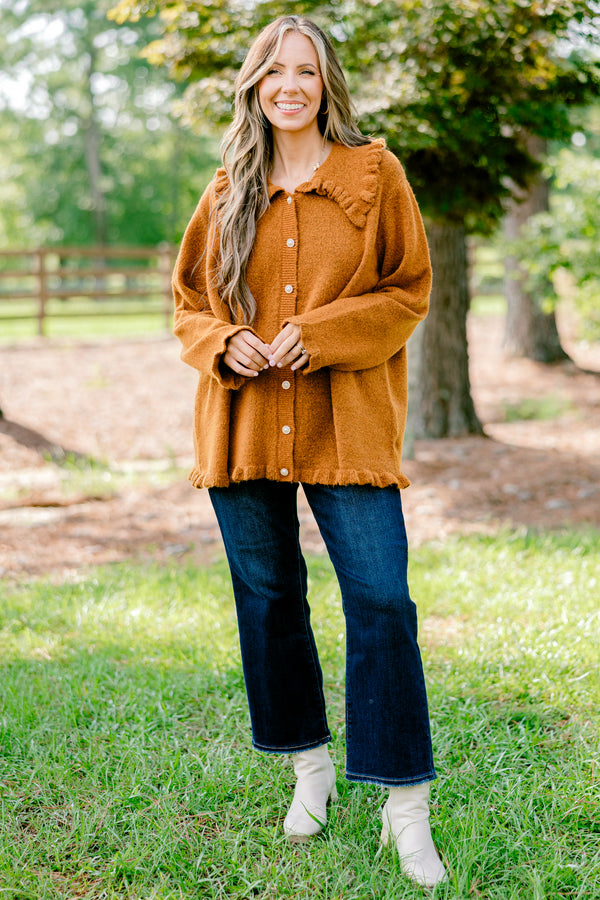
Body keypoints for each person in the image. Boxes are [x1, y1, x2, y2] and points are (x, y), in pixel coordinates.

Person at [172, 14, 447, 889]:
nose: (290, 85)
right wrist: (227, 340)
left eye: (306, 71)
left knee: (382, 602)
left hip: (348, 424)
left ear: (327, 83)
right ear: (254, 85)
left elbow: (409, 292)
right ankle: (310, 771)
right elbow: (185, 304)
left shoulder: (376, 174)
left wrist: (316, 333)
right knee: (269, 603)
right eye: (273, 71)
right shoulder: (225, 191)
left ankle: (406, 807)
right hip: (244, 422)